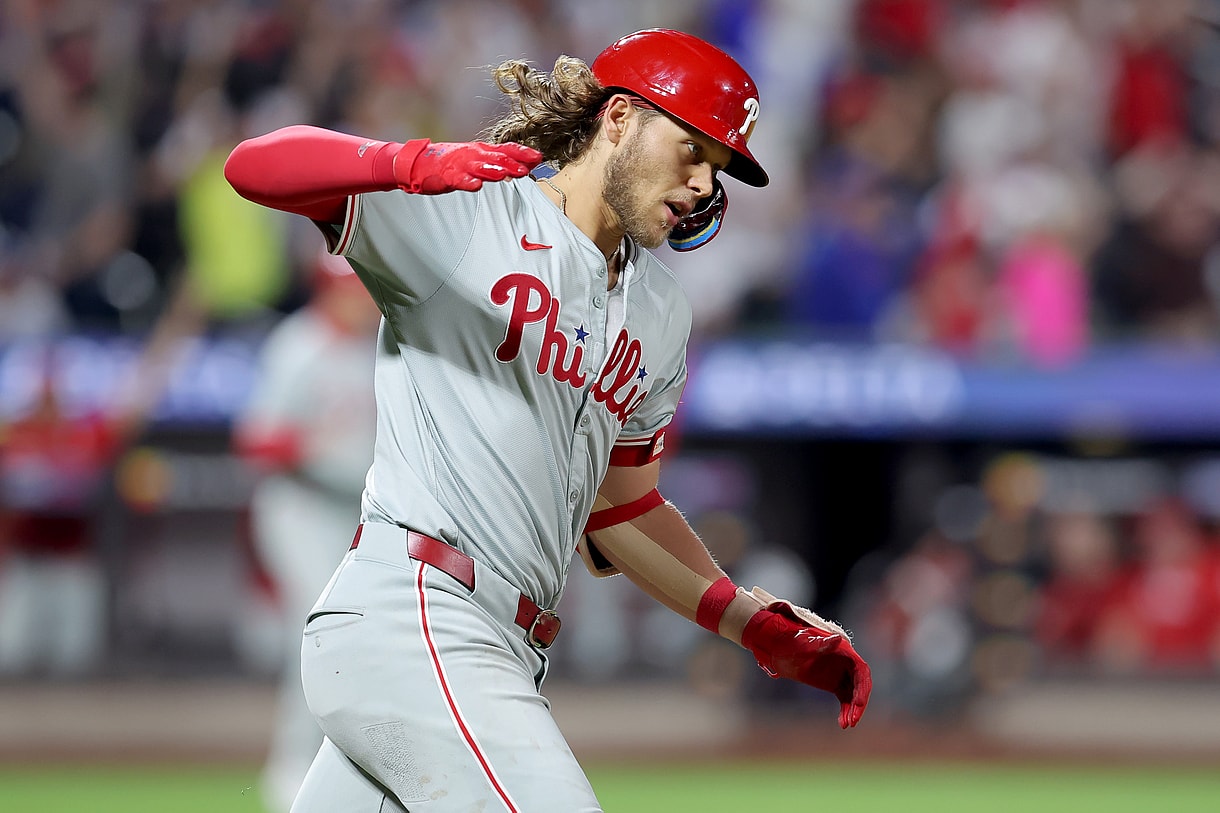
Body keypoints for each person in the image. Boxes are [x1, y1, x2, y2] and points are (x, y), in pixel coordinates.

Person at [225, 28, 871, 812]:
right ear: (621, 119)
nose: (705, 183)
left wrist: (746, 620)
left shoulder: (661, 313)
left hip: (500, 644)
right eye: (692, 150)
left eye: (719, 167)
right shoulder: (470, 216)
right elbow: (254, 166)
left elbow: (620, 506)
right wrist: (406, 164)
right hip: (418, 612)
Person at [233, 249, 382, 813]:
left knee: (361, 640)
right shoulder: (298, 345)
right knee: (319, 633)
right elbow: (255, 441)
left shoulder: (381, 345)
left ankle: (349, 776)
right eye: (351, 289)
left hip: (362, 512)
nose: (362, 299)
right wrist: (315, 444)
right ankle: (290, 770)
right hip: (300, 505)